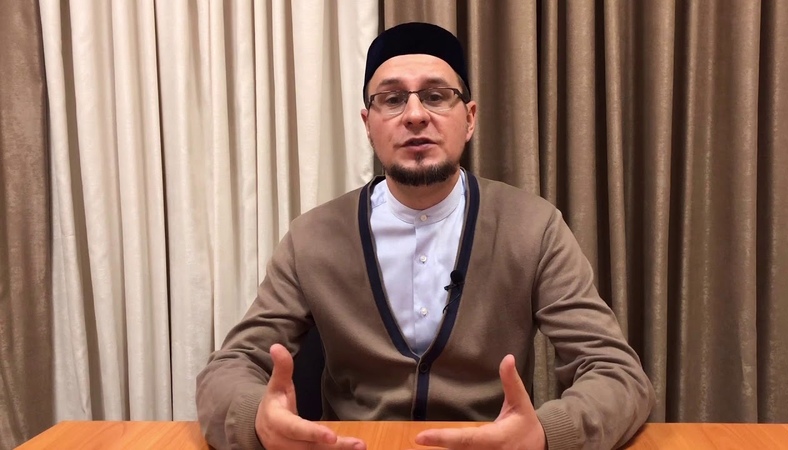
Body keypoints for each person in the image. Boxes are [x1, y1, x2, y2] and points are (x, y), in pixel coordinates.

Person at [196, 22, 655, 450]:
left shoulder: (533, 227)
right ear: (368, 124)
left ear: (469, 118)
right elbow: (229, 368)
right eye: (392, 99)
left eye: (436, 96)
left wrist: (547, 434)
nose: (415, 115)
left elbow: (618, 374)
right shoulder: (312, 237)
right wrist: (257, 419)